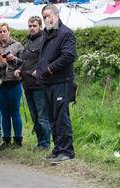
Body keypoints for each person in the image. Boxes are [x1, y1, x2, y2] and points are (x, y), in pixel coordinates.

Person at [36, 4, 76, 164]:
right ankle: (58, 148)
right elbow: (44, 57)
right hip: (48, 82)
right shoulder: (47, 34)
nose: (47, 19)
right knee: (52, 117)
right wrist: (40, 71)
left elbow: (69, 56)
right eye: (44, 17)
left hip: (61, 81)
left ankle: (67, 151)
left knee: (61, 116)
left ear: (57, 15)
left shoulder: (65, 33)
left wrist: (50, 69)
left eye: (49, 16)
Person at [15, 16, 51, 152]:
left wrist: (40, 70)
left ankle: (45, 144)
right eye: (30, 25)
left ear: (40, 27)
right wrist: (19, 70)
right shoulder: (29, 42)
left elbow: (48, 60)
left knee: (42, 117)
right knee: (35, 117)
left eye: (34, 26)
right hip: (27, 85)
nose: (31, 28)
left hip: (39, 85)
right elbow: (26, 63)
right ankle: (40, 143)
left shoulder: (44, 41)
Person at [0, 22, 24, 149]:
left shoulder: (17, 45)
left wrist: (15, 60)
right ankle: (6, 140)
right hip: (0, 84)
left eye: (4, 31)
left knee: (15, 112)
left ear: (9, 31)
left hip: (13, 82)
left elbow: (25, 63)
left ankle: (18, 140)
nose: (2, 34)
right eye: (0, 32)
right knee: (4, 113)